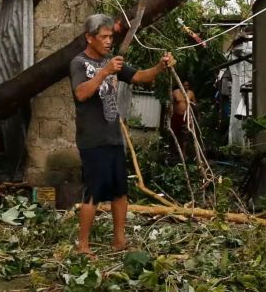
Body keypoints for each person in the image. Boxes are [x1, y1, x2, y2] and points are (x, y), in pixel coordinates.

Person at [70, 14, 175, 256]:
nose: (109, 41)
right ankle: (83, 246)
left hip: (113, 136)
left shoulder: (111, 60)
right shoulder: (78, 63)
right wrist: (104, 72)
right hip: (92, 138)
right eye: (104, 37)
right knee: (93, 191)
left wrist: (160, 66)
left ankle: (119, 240)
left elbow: (140, 76)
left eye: (111, 37)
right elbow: (81, 94)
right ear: (89, 37)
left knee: (120, 191)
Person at [170, 80, 197, 157]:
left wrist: (196, 116)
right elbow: (171, 104)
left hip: (186, 117)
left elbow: (195, 105)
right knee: (174, 135)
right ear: (181, 85)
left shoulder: (191, 93)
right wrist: (169, 114)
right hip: (176, 117)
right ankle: (173, 152)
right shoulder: (175, 92)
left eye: (187, 85)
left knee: (185, 136)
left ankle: (184, 154)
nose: (185, 87)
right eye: (184, 85)